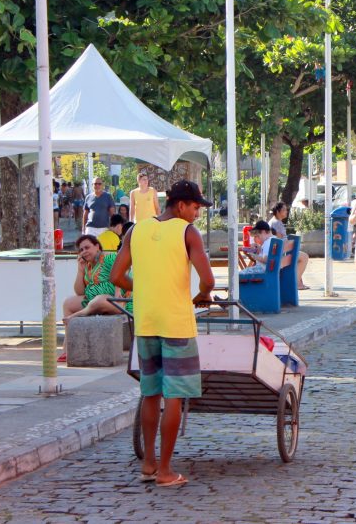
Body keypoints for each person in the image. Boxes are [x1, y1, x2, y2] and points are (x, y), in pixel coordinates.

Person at [110, 180, 215, 488]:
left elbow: (117, 275)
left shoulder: (135, 230)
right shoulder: (187, 232)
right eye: (195, 207)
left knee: (150, 392)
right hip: (176, 323)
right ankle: (166, 470)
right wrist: (200, 296)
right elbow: (207, 279)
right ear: (180, 205)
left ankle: (148, 463)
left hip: (145, 322)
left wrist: (140, 289)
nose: (196, 214)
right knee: (174, 395)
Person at [59, 234, 131, 362]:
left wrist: (118, 290)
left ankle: (76, 316)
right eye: (81, 250)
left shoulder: (109, 257)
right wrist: (80, 270)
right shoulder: (87, 266)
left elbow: (123, 270)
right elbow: (80, 291)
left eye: (87, 247)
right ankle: (67, 349)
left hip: (118, 302)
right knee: (68, 303)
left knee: (99, 300)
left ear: (97, 246)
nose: (84, 252)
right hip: (93, 302)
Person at [269, 202, 310, 290]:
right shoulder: (276, 223)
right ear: (277, 211)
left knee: (298, 256)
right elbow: (281, 241)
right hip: (279, 254)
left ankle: (298, 282)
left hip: (278, 252)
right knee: (304, 257)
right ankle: (295, 283)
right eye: (284, 210)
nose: (286, 212)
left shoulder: (275, 222)